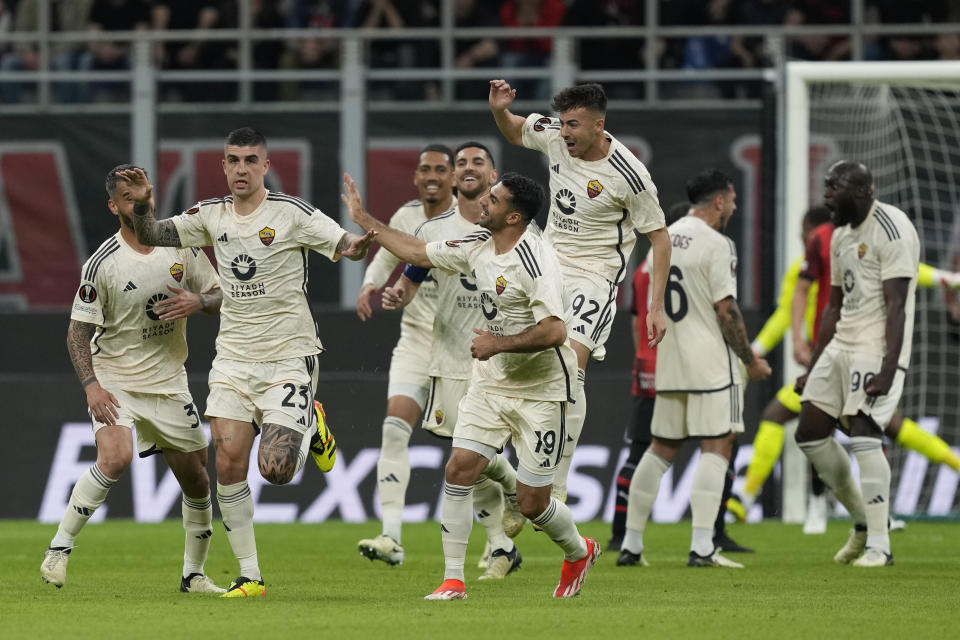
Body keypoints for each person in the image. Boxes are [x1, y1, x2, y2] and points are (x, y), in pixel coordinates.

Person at [119, 126, 369, 597]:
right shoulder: (211, 215)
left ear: (266, 166)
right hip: (233, 358)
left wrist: (360, 239)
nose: (241, 169)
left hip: (288, 355)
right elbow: (149, 233)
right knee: (229, 464)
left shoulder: (291, 214)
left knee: (275, 470)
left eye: (250, 160)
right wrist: (144, 204)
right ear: (223, 165)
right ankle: (251, 576)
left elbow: (346, 247)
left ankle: (311, 425)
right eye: (233, 160)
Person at [343, 171, 601, 600]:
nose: (483, 201)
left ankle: (578, 550)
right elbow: (417, 250)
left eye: (494, 199)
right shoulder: (476, 245)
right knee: (459, 469)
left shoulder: (536, 260)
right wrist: (363, 218)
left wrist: (497, 343)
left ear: (514, 216)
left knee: (534, 504)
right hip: (490, 385)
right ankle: (453, 580)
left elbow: (556, 331)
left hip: (542, 390)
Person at [41, 164, 224, 593]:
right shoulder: (101, 264)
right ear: (113, 206)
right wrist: (92, 386)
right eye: (128, 198)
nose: (139, 203)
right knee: (115, 457)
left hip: (169, 381)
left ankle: (193, 575)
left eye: (144, 195)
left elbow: (219, 296)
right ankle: (59, 548)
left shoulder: (182, 245)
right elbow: (77, 331)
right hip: (116, 378)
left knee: (198, 480)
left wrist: (198, 301)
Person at [488, 79, 671, 507]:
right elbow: (515, 129)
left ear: (598, 125)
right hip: (548, 263)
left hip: (595, 275)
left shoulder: (630, 174)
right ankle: (522, 471)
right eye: (563, 123)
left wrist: (654, 307)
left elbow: (659, 239)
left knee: (570, 365)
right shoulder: (554, 136)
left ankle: (557, 479)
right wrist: (499, 109)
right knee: (523, 365)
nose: (565, 132)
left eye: (574, 125)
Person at [729, 206, 960, 530]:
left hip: (847, 358)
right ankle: (821, 507)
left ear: (813, 232)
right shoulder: (827, 261)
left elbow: (902, 270)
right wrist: (945, 279)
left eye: (803, 232)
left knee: (850, 427)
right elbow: (788, 312)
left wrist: (762, 349)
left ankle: (846, 512)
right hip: (832, 360)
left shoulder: (836, 253)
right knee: (863, 427)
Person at [382, 142, 526, 579]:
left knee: (468, 458)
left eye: (476, 162)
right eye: (461, 162)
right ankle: (503, 537)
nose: (467, 167)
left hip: (498, 359)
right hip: (449, 357)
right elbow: (412, 277)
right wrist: (396, 294)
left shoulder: (512, 225)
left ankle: (472, 564)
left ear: (492, 173)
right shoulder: (435, 230)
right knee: (468, 459)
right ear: (453, 176)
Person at [618, 169, 771, 569]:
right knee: (717, 446)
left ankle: (631, 545)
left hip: (670, 361)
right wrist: (749, 360)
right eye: (733, 200)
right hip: (711, 366)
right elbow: (726, 309)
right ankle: (703, 547)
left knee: (659, 451)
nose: (734, 207)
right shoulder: (718, 244)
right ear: (719, 200)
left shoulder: (662, 239)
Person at [794, 160, 920, 567]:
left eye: (836, 186)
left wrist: (888, 366)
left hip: (876, 345)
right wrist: (813, 366)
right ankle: (864, 522)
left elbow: (896, 306)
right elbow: (832, 306)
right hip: (841, 342)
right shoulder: (839, 236)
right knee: (810, 433)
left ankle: (880, 546)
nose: (827, 194)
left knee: (864, 430)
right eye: (826, 186)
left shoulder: (892, 228)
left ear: (864, 190)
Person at [355, 144, 456, 566]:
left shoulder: (469, 221)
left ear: (452, 177)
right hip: (415, 338)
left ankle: (498, 542)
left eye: (439, 168)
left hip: (458, 343)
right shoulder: (405, 217)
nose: (431, 175)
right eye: (424, 169)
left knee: (472, 450)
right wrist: (369, 285)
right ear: (415, 177)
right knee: (395, 428)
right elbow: (385, 251)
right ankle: (391, 537)